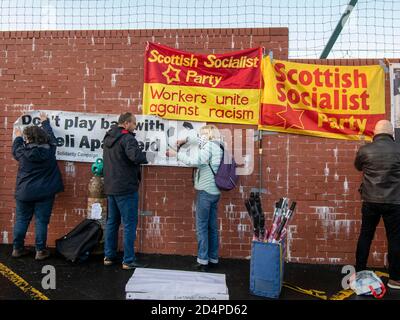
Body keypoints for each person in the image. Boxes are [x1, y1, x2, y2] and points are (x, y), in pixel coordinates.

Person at [166, 124, 223, 272]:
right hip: (215, 192)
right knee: (212, 227)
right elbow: (196, 139)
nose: (200, 137)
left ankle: (203, 260)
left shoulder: (209, 146)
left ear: (208, 135)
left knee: (202, 227)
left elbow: (195, 161)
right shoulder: (219, 145)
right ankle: (213, 258)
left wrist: (175, 154)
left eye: (203, 134)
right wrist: (184, 139)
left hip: (205, 191)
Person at [354, 119, 400, 289]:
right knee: (395, 239)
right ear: (391, 133)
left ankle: (359, 272)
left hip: (370, 200)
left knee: (365, 236)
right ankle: (395, 279)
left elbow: (358, 166)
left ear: (375, 133)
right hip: (394, 201)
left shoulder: (365, 150)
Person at [12, 112, 64, 260]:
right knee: (41, 221)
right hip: (45, 193)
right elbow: (52, 138)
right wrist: (45, 123)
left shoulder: (22, 152)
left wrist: (17, 137)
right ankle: (40, 251)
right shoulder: (50, 150)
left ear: (27, 139)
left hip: (24, 192)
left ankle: (17, 248)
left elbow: (14, 150)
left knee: (22, 220)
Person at [102, 112, 149, 270]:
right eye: (134, 124)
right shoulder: (127, 138)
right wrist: (148, 155)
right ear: (127, 123)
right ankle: (128, 260)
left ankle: (109, 256)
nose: (135, 127)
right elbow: (134, 156)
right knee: (129, 224)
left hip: (110, 186)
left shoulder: (108, 137)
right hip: (126, 187)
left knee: (112, 222)